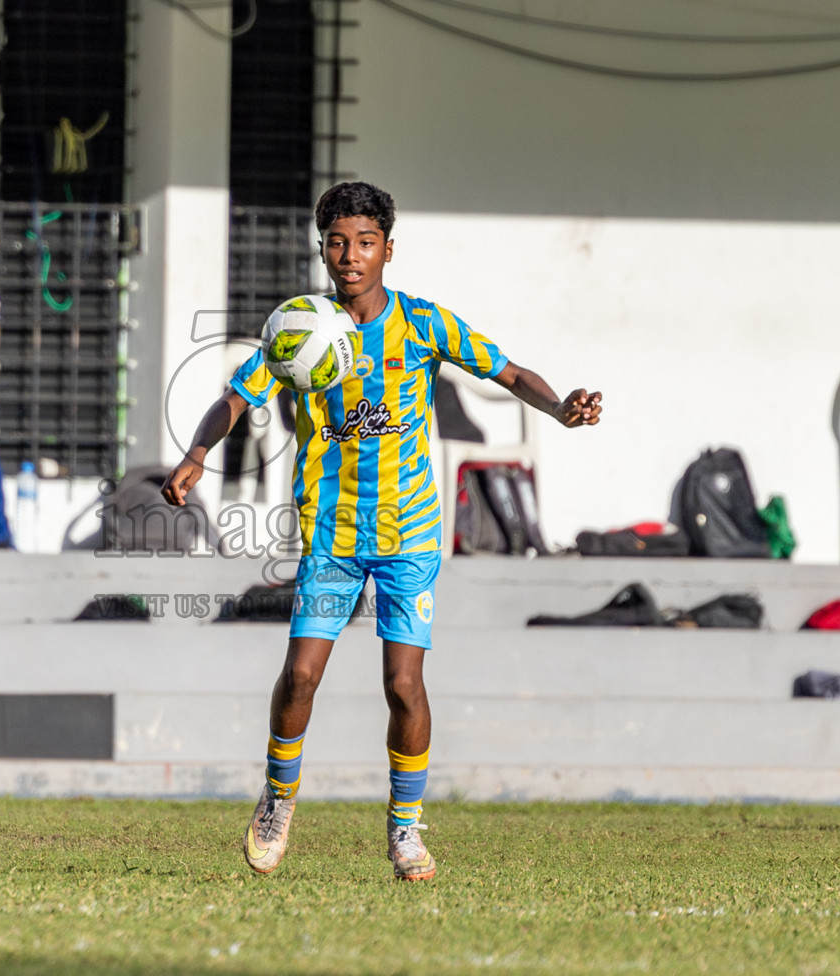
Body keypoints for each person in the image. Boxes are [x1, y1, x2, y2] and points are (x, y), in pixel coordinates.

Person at [162, 181, 601, 881]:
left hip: (410, 537)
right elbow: (234, 398)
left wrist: (558, 409)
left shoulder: (424, 325)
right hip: (331, 536)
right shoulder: (299, 329)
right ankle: (277, 800)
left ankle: (405, 830)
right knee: (301, 674)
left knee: (403, 685)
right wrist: (195, 455)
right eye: (337, 242)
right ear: (323, 249)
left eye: (365, 242)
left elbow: (511, 371)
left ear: (388, 250)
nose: (350, 256)